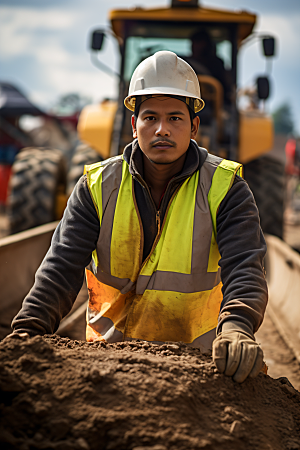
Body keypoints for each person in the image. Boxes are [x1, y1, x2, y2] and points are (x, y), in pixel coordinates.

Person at [8, 51, 268, 383]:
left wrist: (237, 329)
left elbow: (246, 266)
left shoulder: (227, 187)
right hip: (107, 364)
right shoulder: (98, 187)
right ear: (134, 125)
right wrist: (28, 331)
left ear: (194, 126)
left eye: (175, 118)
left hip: (199, 369)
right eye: (150, 118)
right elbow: (61, 268)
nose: (162, 129)